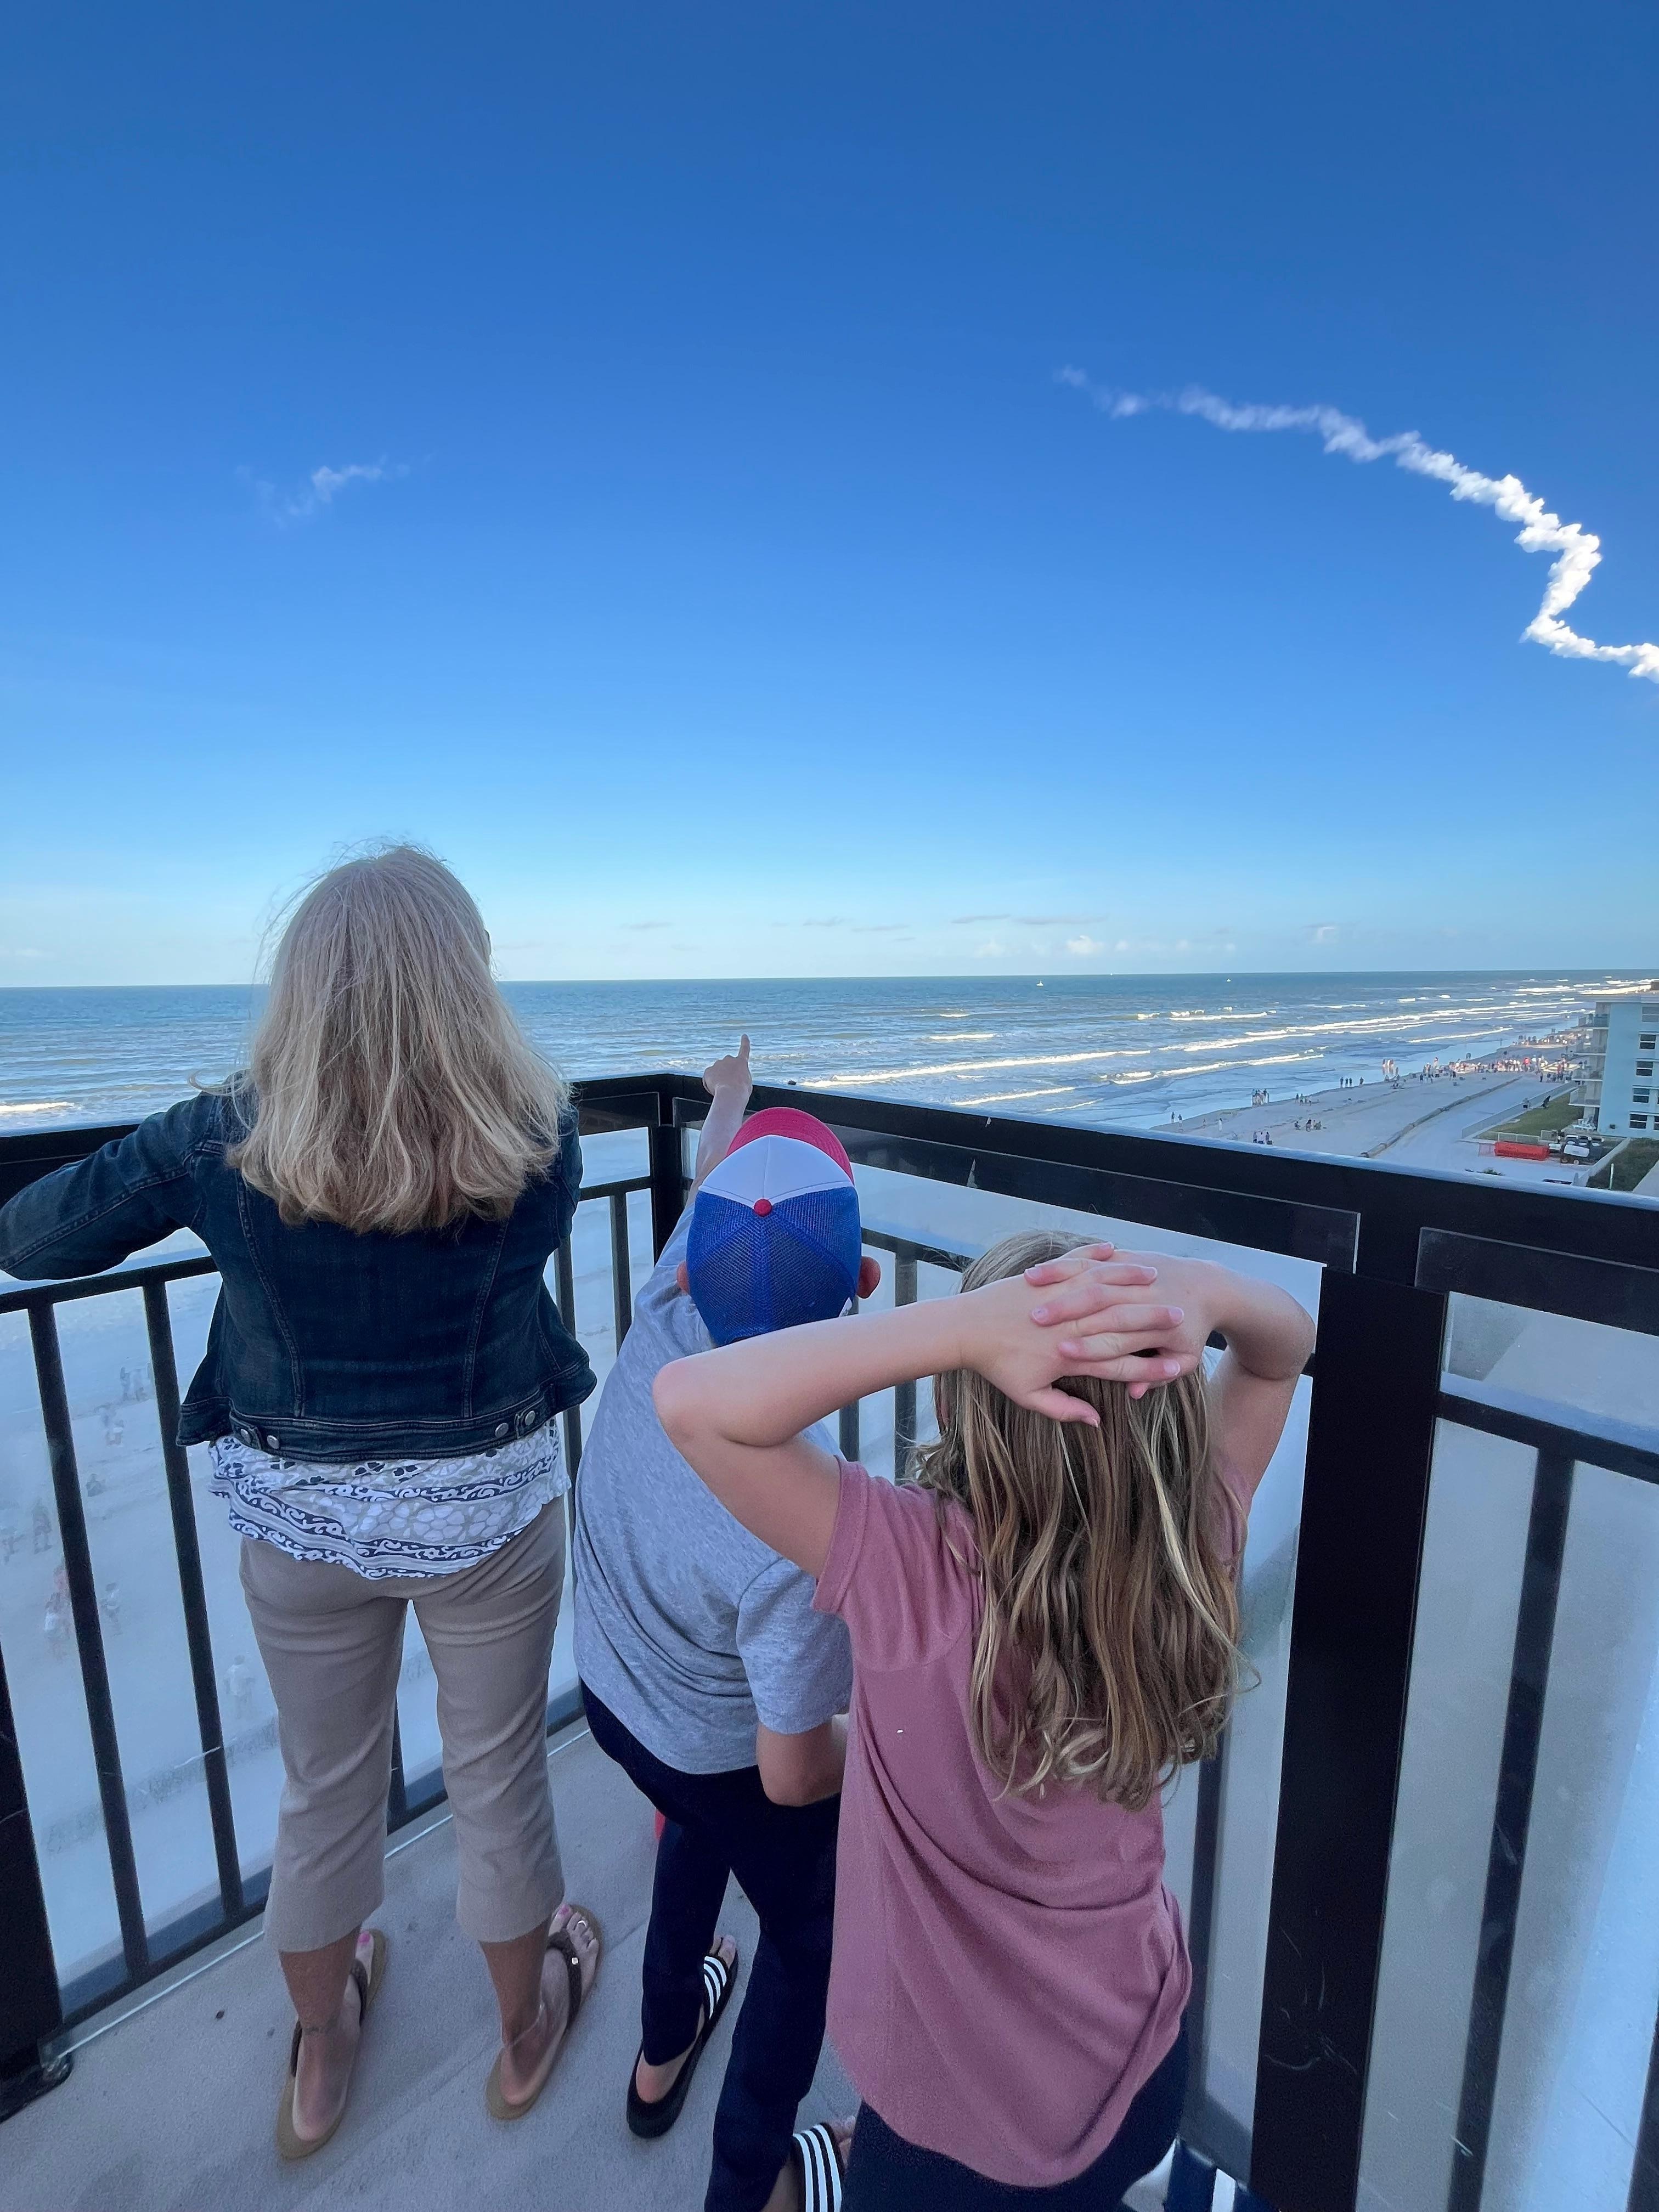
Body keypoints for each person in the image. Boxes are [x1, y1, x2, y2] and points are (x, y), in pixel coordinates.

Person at [0, 845, 602, 2158]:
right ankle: (521, 2035)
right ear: (468, 981)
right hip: (486, 1514)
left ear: (300, 990)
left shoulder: (226, 1138)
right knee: (499, 1779)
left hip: (304, 1524)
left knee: (323, 1789)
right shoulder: (538, 1134)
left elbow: (36, 1237)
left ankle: (320, 2062)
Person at [656, 1227, 1315, 2209]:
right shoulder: (1191, 1542)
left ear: (956, 1403)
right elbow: (1284, 1348)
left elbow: (694, 1403)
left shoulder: (911, 1566)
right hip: (1137, 2062)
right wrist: (1207, 1290)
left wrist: (959, 1327)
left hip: (944, 2133)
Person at [576, 1038, 881, 2212]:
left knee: (695, 1821)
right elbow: (797, 1774)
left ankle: (660, 2058)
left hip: (616, 1691)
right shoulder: (801, 1528)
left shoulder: (666, 1309)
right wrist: (883, 1734)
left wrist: (733, 1105)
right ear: (857, 1296)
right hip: (717, 1740)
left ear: (698, 1253)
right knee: (808, 1934)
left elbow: (721, 1192)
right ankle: (748, 2183)